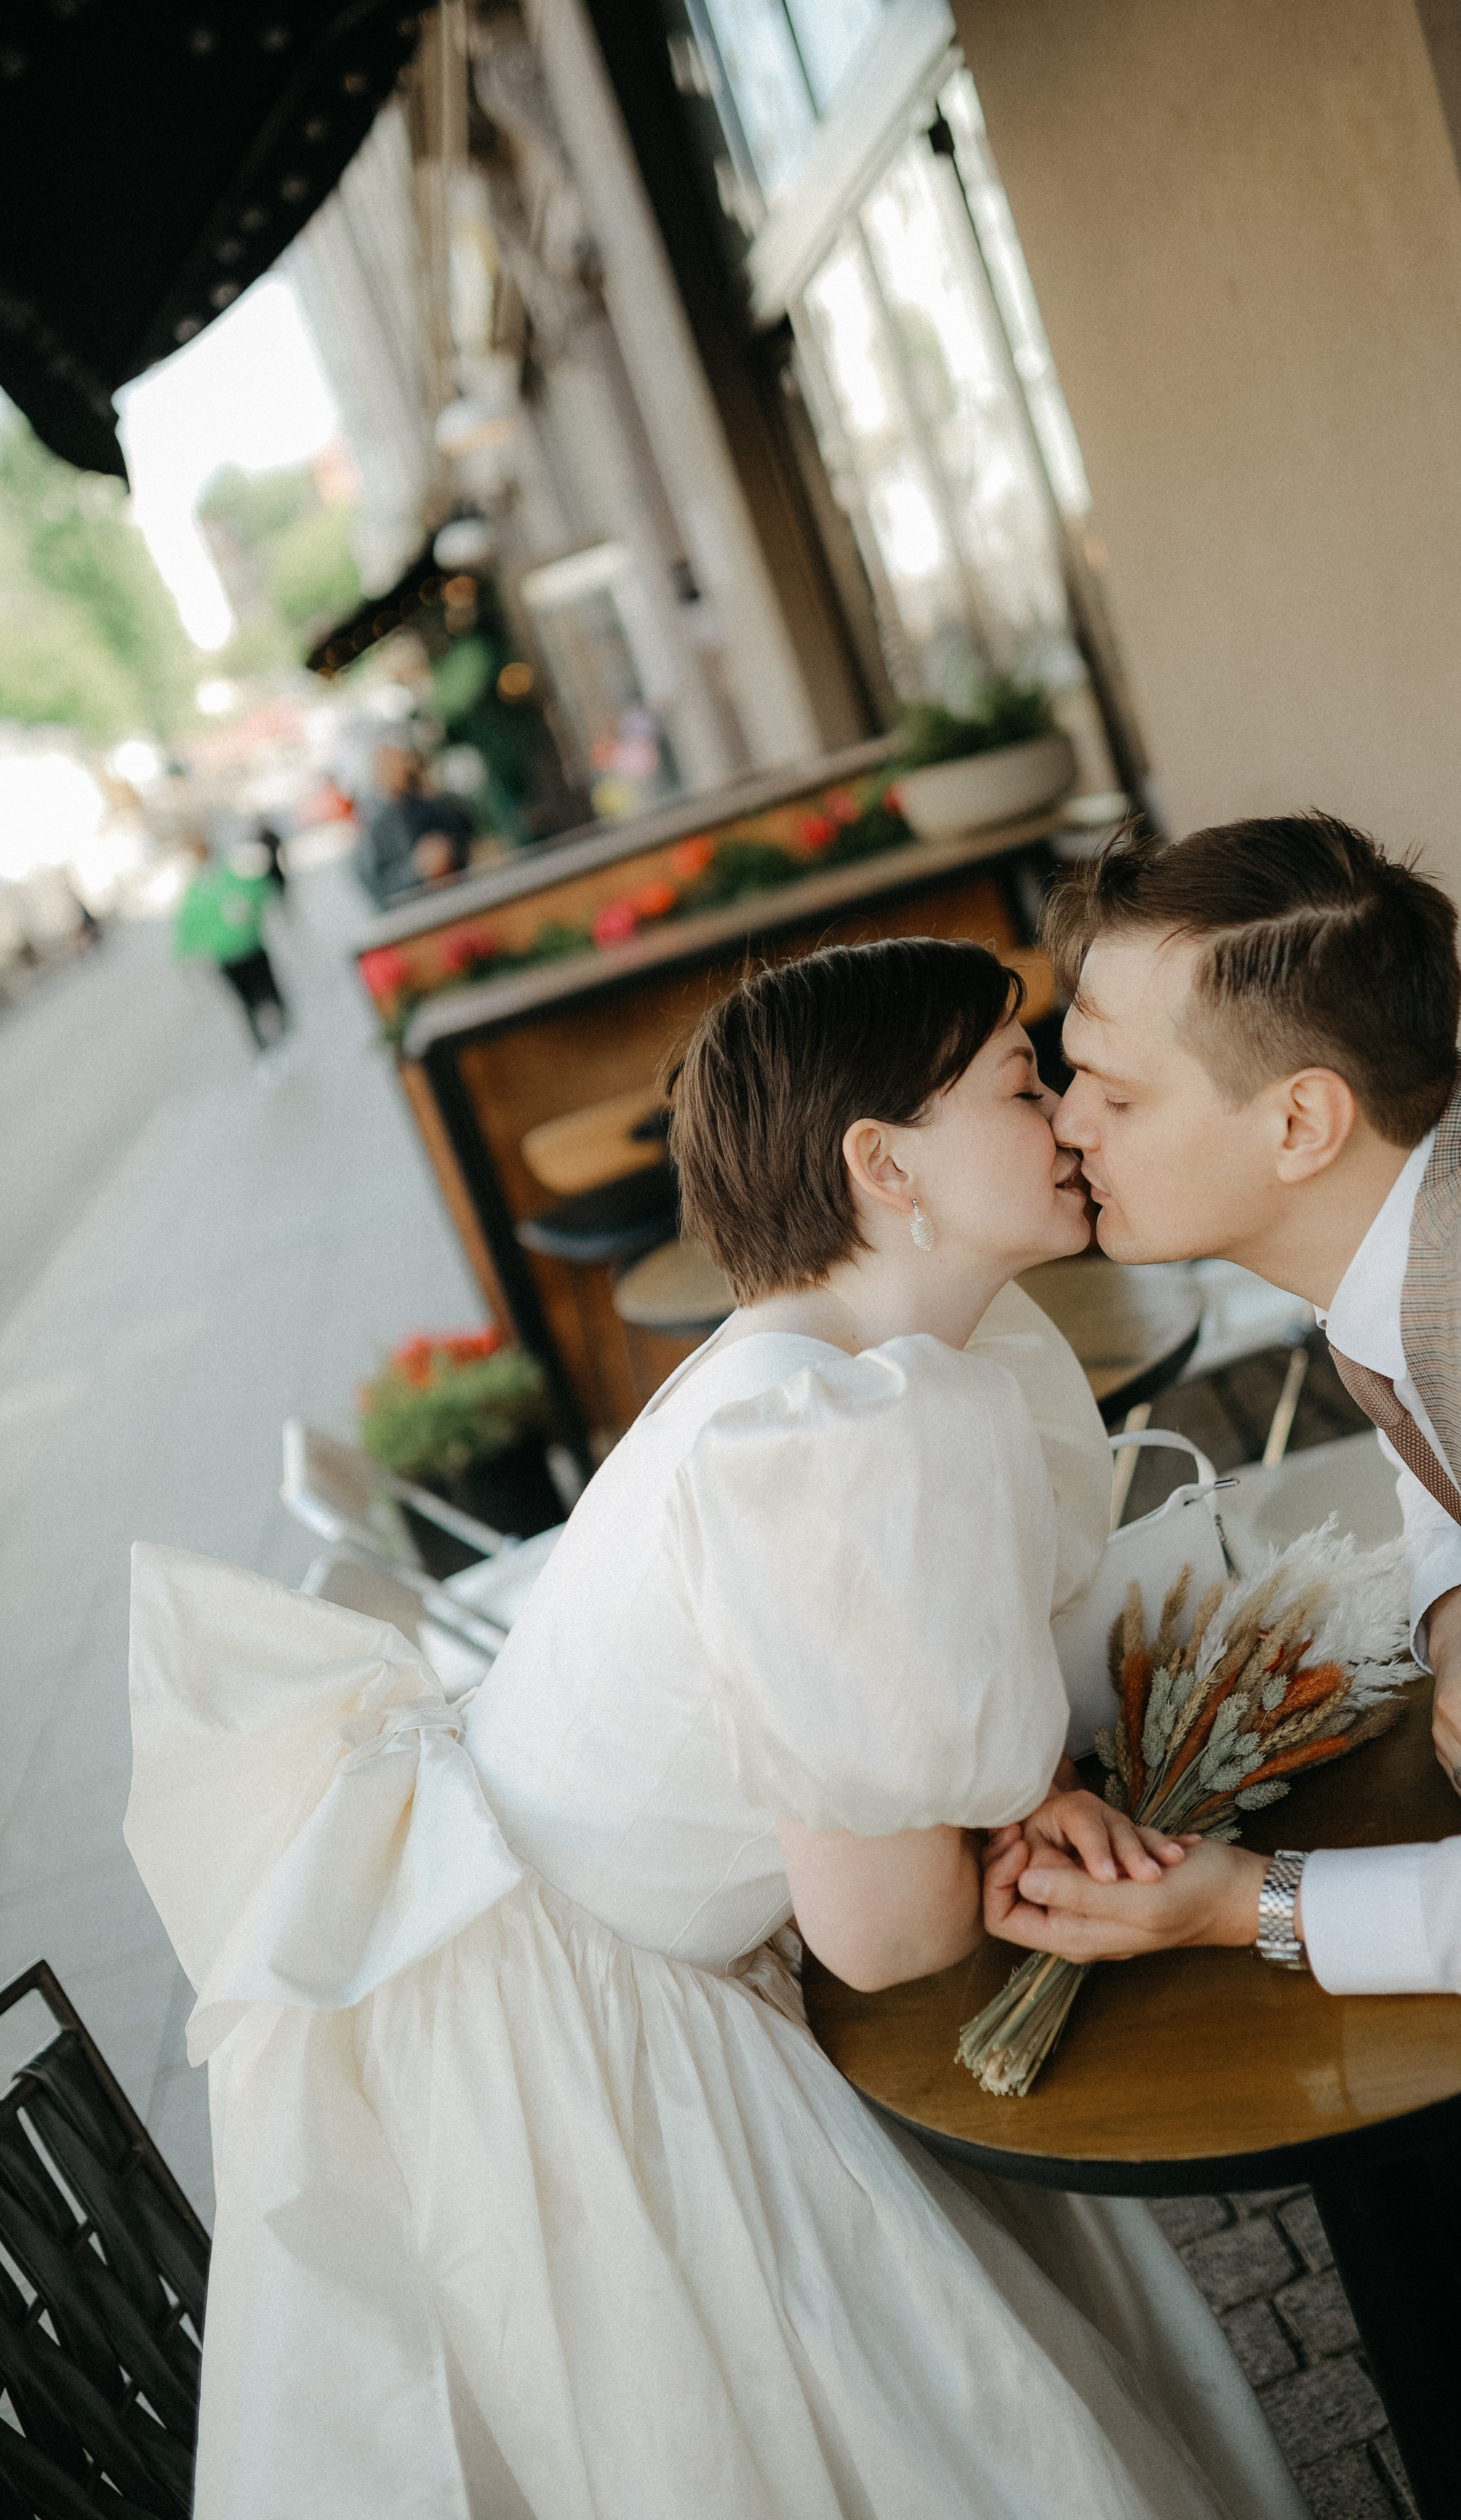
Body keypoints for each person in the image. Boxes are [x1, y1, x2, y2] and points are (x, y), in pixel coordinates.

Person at [125, 937, 1307, 2520]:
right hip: (589, 2030)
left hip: (530, 1939)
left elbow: (899, 1700)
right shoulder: (822, 1440)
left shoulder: (816, 1372)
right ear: (884, 1163)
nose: (1076, 1119)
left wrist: (1011, 1789)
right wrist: (1018, 1830)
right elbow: (887, 1938)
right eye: (1026, 1087)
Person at [981, 816, 1461, 2510]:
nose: (1064, 1129)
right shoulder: (1450, 1133)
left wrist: (1256, 1910)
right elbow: (1437, 1401)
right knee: (1425, 2198)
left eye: (1113, 1093)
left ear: (1299, 1119)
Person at [173, 832, 287, 1052]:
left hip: (249, 944)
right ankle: (262, 1046)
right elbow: (187, 927)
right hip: (226, 954)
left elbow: (260, 889)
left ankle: (284, 1031)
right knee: (247, 1003)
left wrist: (250, 906)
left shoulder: (232, 873)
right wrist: (184, 960)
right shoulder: (195, 891)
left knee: (268, 991)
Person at [355, 742, 475, 907]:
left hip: (460, 896)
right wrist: (416, 867)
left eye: (405, 760)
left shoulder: (436, 803)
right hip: (418, 913)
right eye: (392, 764)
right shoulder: (376, 826)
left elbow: (468, 839)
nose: (402, 768)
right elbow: (377, 890)